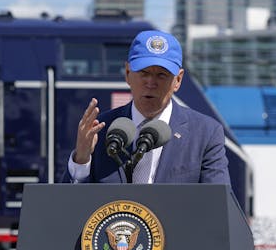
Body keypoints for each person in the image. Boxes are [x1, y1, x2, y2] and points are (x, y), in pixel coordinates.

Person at [62, 30, 230, 185]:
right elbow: (70, 208)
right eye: (144, 73)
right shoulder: (100, 131)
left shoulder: (205, 133)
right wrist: (82, 159)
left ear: (178, 80)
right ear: (128, 73)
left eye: (161, 75)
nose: (151, 83)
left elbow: (218, 206)